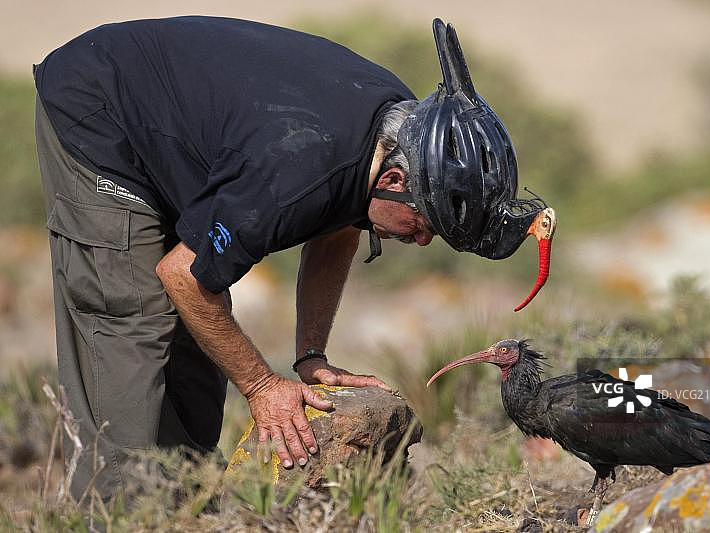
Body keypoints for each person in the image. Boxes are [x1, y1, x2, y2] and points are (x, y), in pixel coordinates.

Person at [34, 15, 555, 501]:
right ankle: (117, 512)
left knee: (200, 339)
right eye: (425, 226)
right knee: (134, 319)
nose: (421, 243)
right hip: (99, 108)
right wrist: (262, 386)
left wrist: (310, 357)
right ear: (395, 181)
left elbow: (338, 228)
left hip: (182, 132)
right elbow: (186, 277)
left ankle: (180, 505)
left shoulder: (396, 133)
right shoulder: (294, 171)